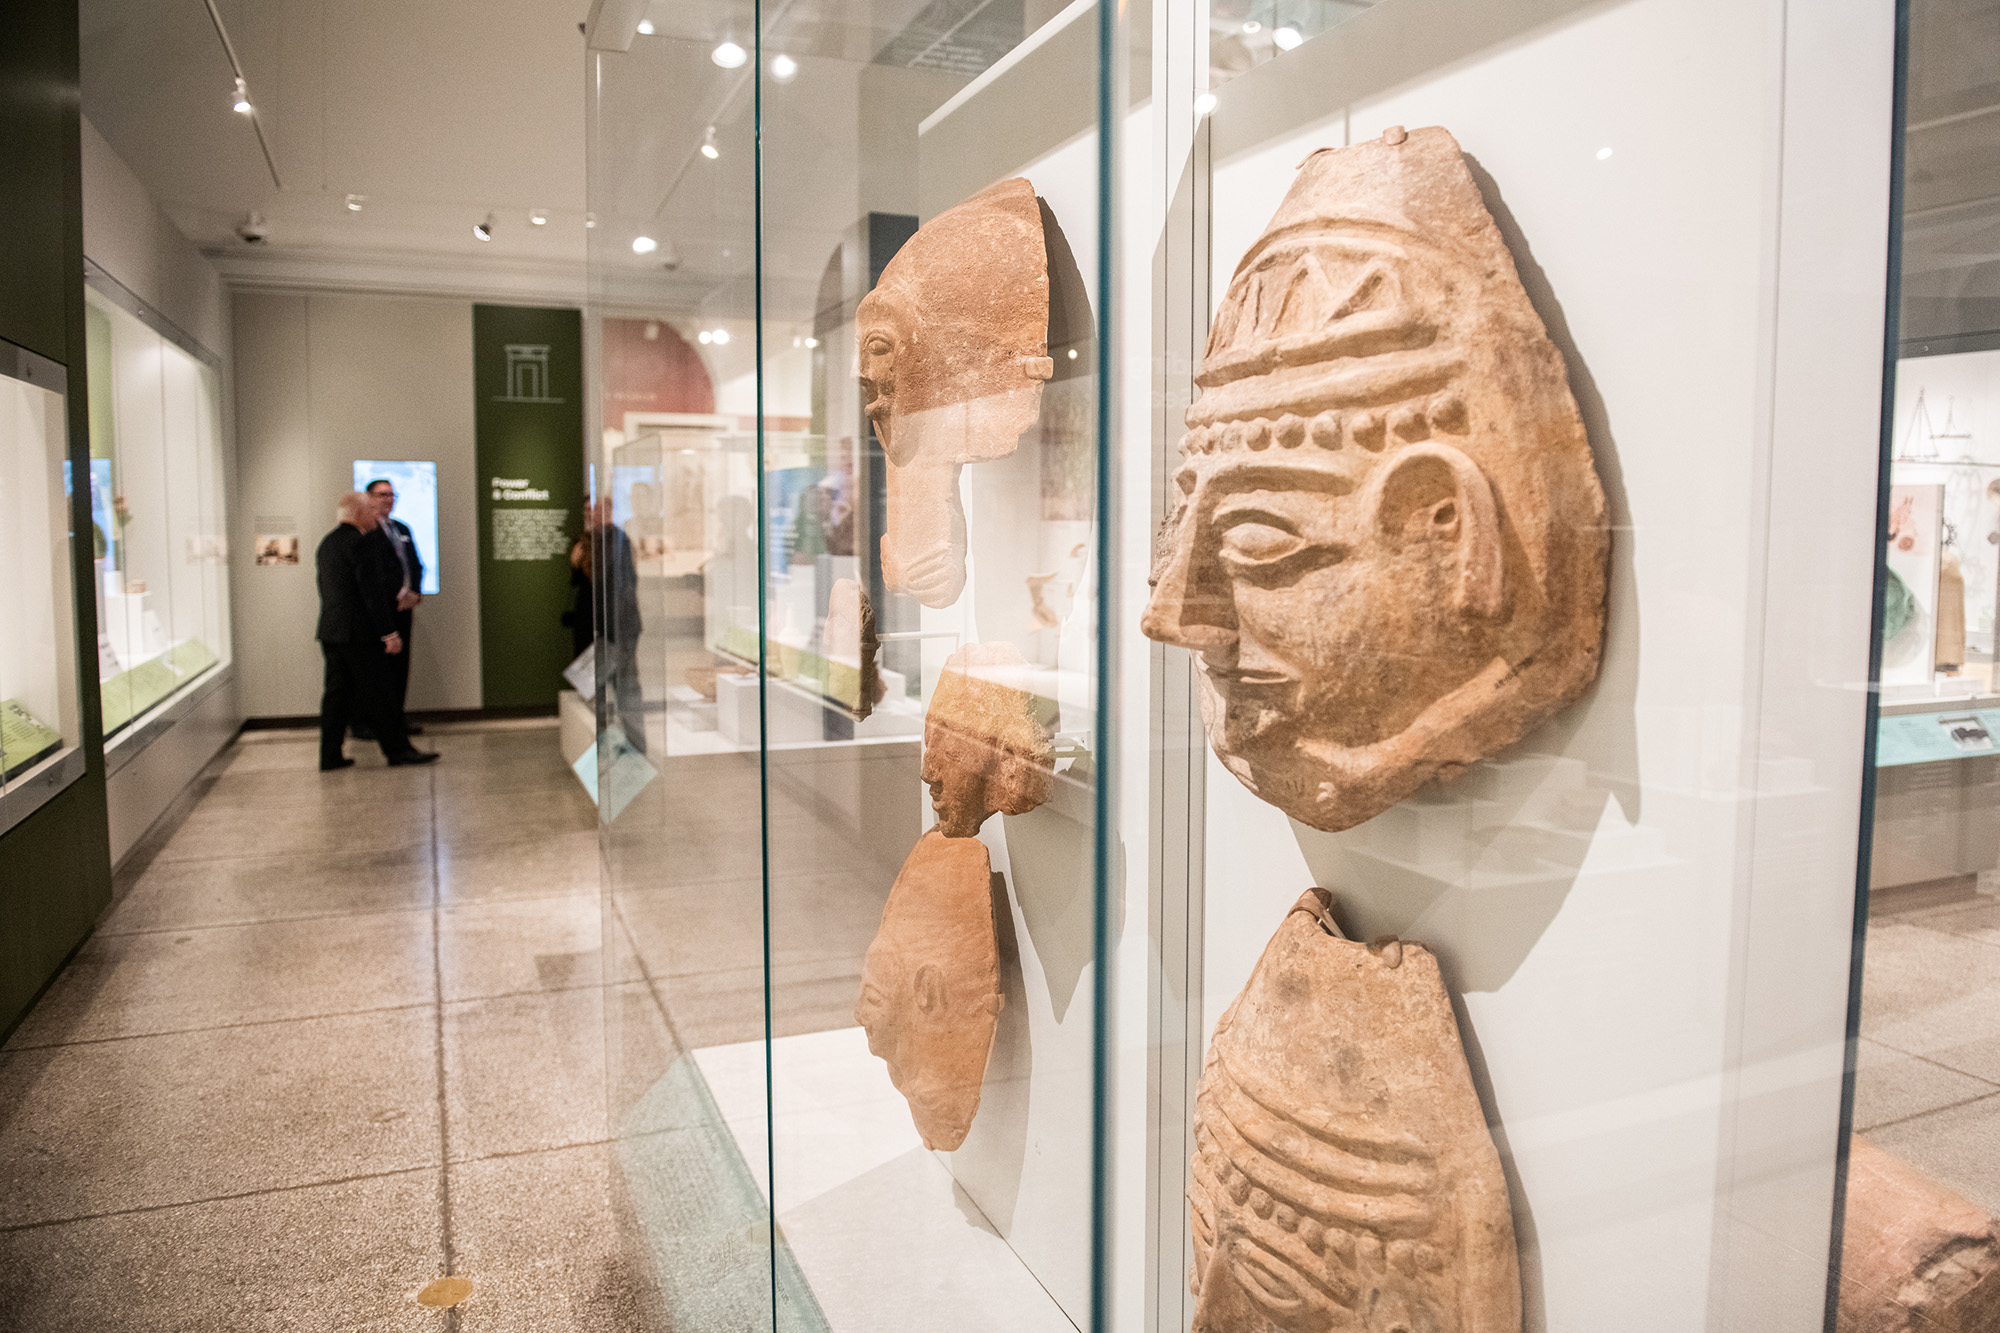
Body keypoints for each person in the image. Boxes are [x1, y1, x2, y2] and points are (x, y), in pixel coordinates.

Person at [317, 492, 438, 770]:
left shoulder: (329, 542)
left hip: (332, 631)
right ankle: (398, 751)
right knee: (382, 693)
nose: (376, 515)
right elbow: (371, 594)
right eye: (371, 510)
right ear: (359, 513)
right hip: (360, 633)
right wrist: (389, 633)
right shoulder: (362, 544)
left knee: (336, 696)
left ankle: (330, 755)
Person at [357, 477, 425, 738]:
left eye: (391, 495)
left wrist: (414, 592)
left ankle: (396, 719)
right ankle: (372, 722)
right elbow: (370, 574)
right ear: (369, 498)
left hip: (404, 609)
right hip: (378, 611)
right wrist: (393, 594)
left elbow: (415, 564)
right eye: (382, 495)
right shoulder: (365, 530)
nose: (388, 499)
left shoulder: (401, 528)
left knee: (400, 665)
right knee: (376, 668)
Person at [592, 497, 646, 754]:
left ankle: (635, 745)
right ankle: (611, 741)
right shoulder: (600, 540)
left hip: (620, 627)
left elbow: (624, 585)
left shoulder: (618, 540)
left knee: (626, 688)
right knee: (607, 686)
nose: (593, 514)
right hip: (610, 628)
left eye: (598, 510)